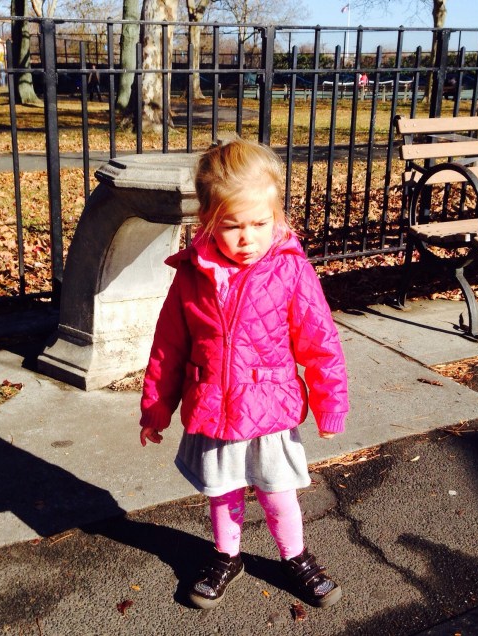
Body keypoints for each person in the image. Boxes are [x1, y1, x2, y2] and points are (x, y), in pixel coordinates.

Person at [139, 137, 350, 611]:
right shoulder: (191, 274)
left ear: (277, 216)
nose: (248, 238)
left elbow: (320, 341)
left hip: (269, 410)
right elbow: (168, 347)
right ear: (207, 221)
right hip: (213, 408)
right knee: (222, 492)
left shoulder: (290, 270)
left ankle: (294, 556)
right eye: (232, 226)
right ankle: (226, 555)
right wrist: (155, 409)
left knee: (278, 493)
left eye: (260, 223)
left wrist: (330, 404)